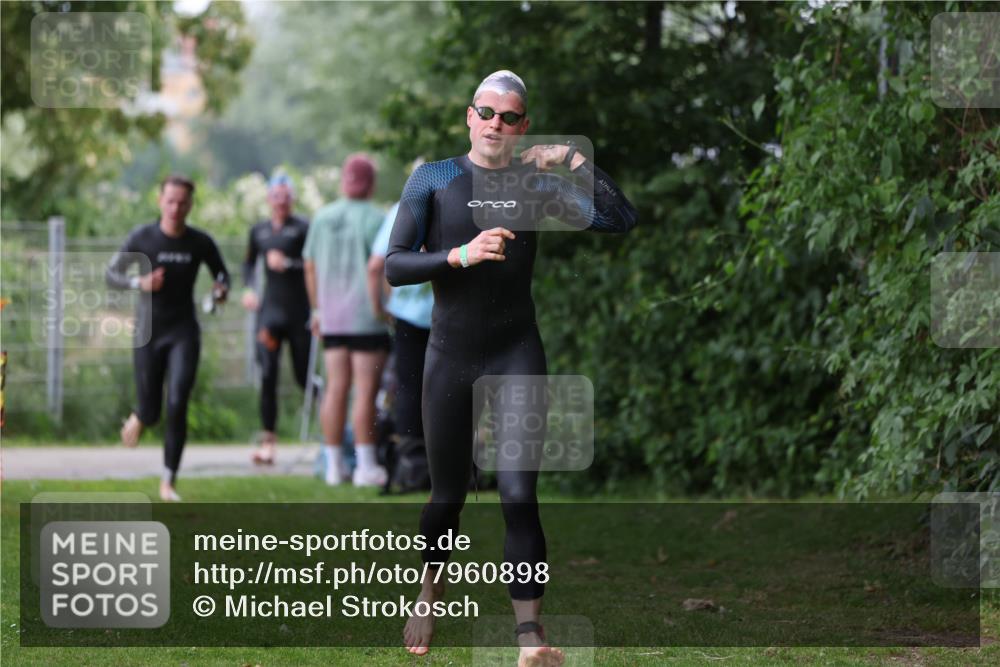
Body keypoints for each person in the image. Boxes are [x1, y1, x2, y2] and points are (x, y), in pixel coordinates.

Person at [386, 70, 637, 666]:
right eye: (486, 112)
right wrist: (459, 254)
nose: (496, 123)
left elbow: (618, 220)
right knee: (447, 497)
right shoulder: (434, 178)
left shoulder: (533, 182)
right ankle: (429, 589)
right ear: (469, 116)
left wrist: (573, 159)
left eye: (510, 116)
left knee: (519, 494)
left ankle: (530, 638)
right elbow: (395, 265)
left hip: (515, 351)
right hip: (449, 355)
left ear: (523, 126)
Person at [106, 174, 230, 502]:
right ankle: (142, 415)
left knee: (177, 403)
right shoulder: (142, 237)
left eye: (182, 202)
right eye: (170, 201)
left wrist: (220, 291)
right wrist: (140, 283)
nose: (176, 208)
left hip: (183, 331)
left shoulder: (199, 242)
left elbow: (222, 274)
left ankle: (168, 481)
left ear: (190, 205)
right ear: (160, 201)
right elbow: (112, 275)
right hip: (148, 332)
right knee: (152, 409)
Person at [304, 153, 391, 488]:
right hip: (366, 318)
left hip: (332, 318)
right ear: (371, 182)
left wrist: (317, 309)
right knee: (365, 393)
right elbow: (380, 267)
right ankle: (365, 466)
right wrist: (385, 307)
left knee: (334, 390)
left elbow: (309, 265)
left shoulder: (322, 217)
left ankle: (333, 466)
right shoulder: (376, 218)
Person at [367, 160, 435, 492]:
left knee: (408, 388)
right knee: (450, 387)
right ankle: (453, 464)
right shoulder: (456, 200)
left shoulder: (400, 208)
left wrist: (381, 307)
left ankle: (412, 466)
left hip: (407, 315)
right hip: (447, 314)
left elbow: (375, 265)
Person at [240, 174, 311, 465]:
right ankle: (268, 442)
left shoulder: (304, 228)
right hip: (269, 314)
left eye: (286, 196)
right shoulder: (259, 231)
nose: (280, 201)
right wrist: (248, 289)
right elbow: (247, 263)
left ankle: (335, 433)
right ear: (269, 199)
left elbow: (313, 264)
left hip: (299, 314)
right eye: (276, 195)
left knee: (303, 376)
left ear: (292, 199)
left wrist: (289, 264)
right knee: (267, 374)